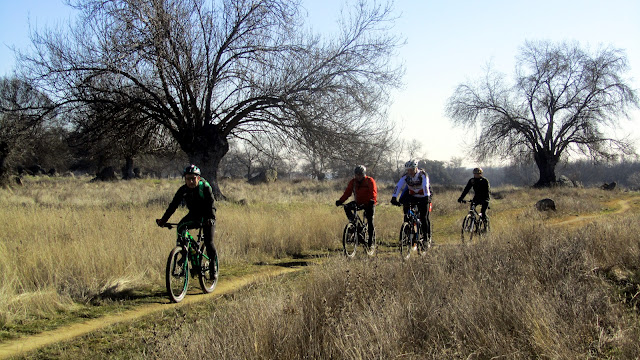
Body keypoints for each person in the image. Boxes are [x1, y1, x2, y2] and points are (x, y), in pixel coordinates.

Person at [156, 164, 217, 276]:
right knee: (180, 227)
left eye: (193, 178)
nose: (190, 182)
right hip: (193, 215)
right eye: (188, 179)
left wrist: (211, 219)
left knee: (208, 241)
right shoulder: (183, 190)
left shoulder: (205, 187)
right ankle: (184, 252)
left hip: (207, 216)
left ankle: (213, 265)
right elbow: (173, 206)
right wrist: (163, 220)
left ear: (198, 178)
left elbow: (211, 205)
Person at [391, 160, 432, 246]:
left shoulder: (422, 175)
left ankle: (426, 238)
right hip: (412, 196)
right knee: (407, 214)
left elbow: (425, 186)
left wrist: (426, 197)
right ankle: (407, 235)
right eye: (408, 170)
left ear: (416, 168)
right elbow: (398, 186)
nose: (410, 172)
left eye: (412, 170)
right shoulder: (406, 176)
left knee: (423, 217)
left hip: (424, 195)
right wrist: (394, 197)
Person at [335, 165, 378, 248]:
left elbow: (373, 191)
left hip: (369, 203)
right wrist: (340, 201)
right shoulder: (353, 182)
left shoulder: (369, 180)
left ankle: (370, 241)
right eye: (356, 174)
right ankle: (354, 224)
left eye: (360, 174)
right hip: (358, 202)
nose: (358, 176)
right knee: (346, 207)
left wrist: (372, 200)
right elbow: (347, 193)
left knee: (370, 220)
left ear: (364, 174)